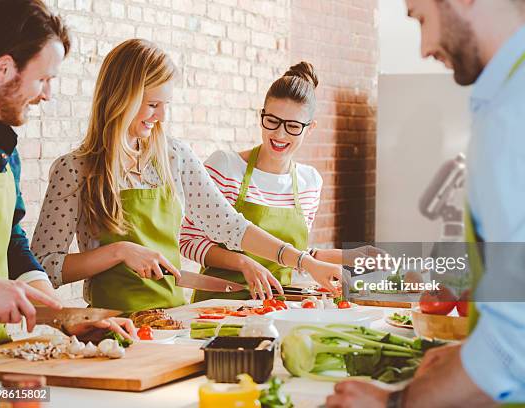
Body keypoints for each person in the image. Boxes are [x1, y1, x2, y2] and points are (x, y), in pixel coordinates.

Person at [326, 0, 525, 407]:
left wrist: (395, 402)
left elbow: (522, 343)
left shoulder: (522, 110)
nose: (423, 47)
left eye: (420, 17)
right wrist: (472, 358)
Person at [32, 39, 342, 314]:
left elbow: (231, 227)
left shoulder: (174, 158)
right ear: (120, 97)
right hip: (110, 327)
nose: (162, 117)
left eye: (165, 105)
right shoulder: (75, 169)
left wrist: (306, 263)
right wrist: (118, 252)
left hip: (173, 322)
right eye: (153, 104)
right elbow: (44, 265)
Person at [0, 0, 134, 346]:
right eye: (43, 79)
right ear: (3, 69)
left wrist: (62, 317)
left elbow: (10, 243)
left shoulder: (2, 147)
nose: (48, 95)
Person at [181, 61, 382, 302]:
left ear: (310, 129)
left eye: (293, 126)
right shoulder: (225, 167)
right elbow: (188, 240)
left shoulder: (309, 182)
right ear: (261, 116)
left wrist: (347, 256)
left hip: (277, 305)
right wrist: (243, 263)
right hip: (219, 306)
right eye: (272, 121)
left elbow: (293, 255)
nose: (280, 134)